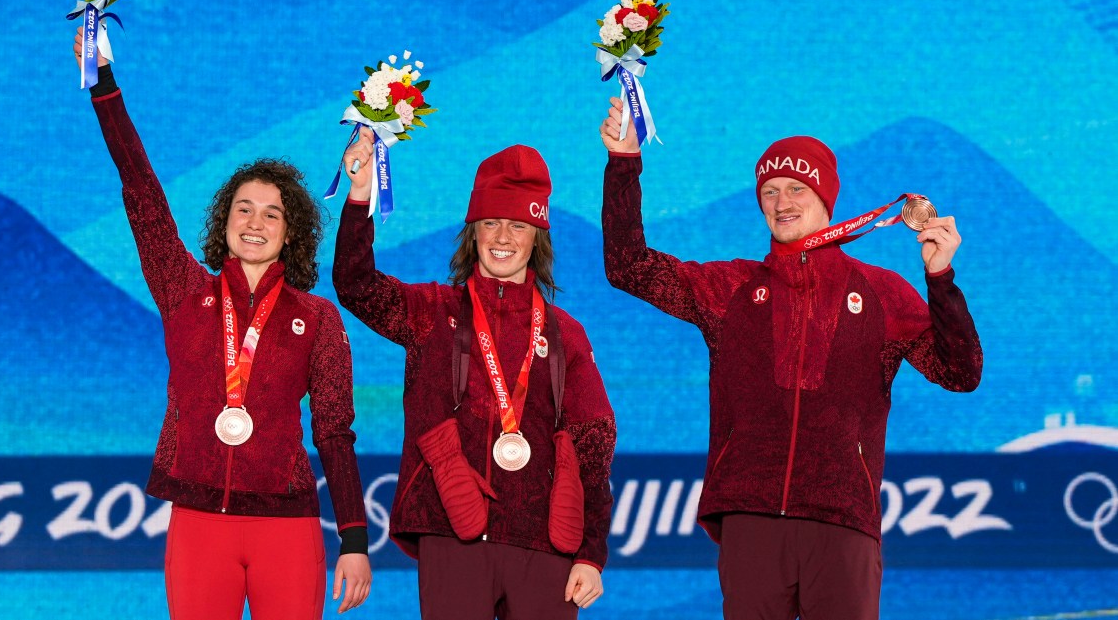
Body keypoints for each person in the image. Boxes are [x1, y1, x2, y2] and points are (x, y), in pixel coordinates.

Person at [599, 98, 983, 620]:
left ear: (827, 198)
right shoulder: (731, 288)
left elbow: (960, 374)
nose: (782, 201)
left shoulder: (882, 292)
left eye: (797, 188)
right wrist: (624, 162)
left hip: (844, 519)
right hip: (751, 514)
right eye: (769, 191)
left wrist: (940, 280)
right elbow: (629, 268)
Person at [73, 30, 372, 619]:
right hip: (198, 524)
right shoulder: (184, 292)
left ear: (293, 232)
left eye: (272, 214)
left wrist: (355, 541)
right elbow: (142, 193)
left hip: (286, 527)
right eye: (243, 208)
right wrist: (103, 83)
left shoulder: (318, 320)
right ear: (224, 220)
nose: (255, 223)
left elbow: (335, 434)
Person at [333, 134, 615, 620]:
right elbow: (355, 285)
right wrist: (360, 198)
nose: (503, 238)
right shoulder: (430, 312)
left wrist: (591, 553)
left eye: (518, 225)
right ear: (473, 232)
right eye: (490, 223)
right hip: (452, 530)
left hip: (544, 541)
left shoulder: (566, 333)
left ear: (538, 236)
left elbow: (594, 441)